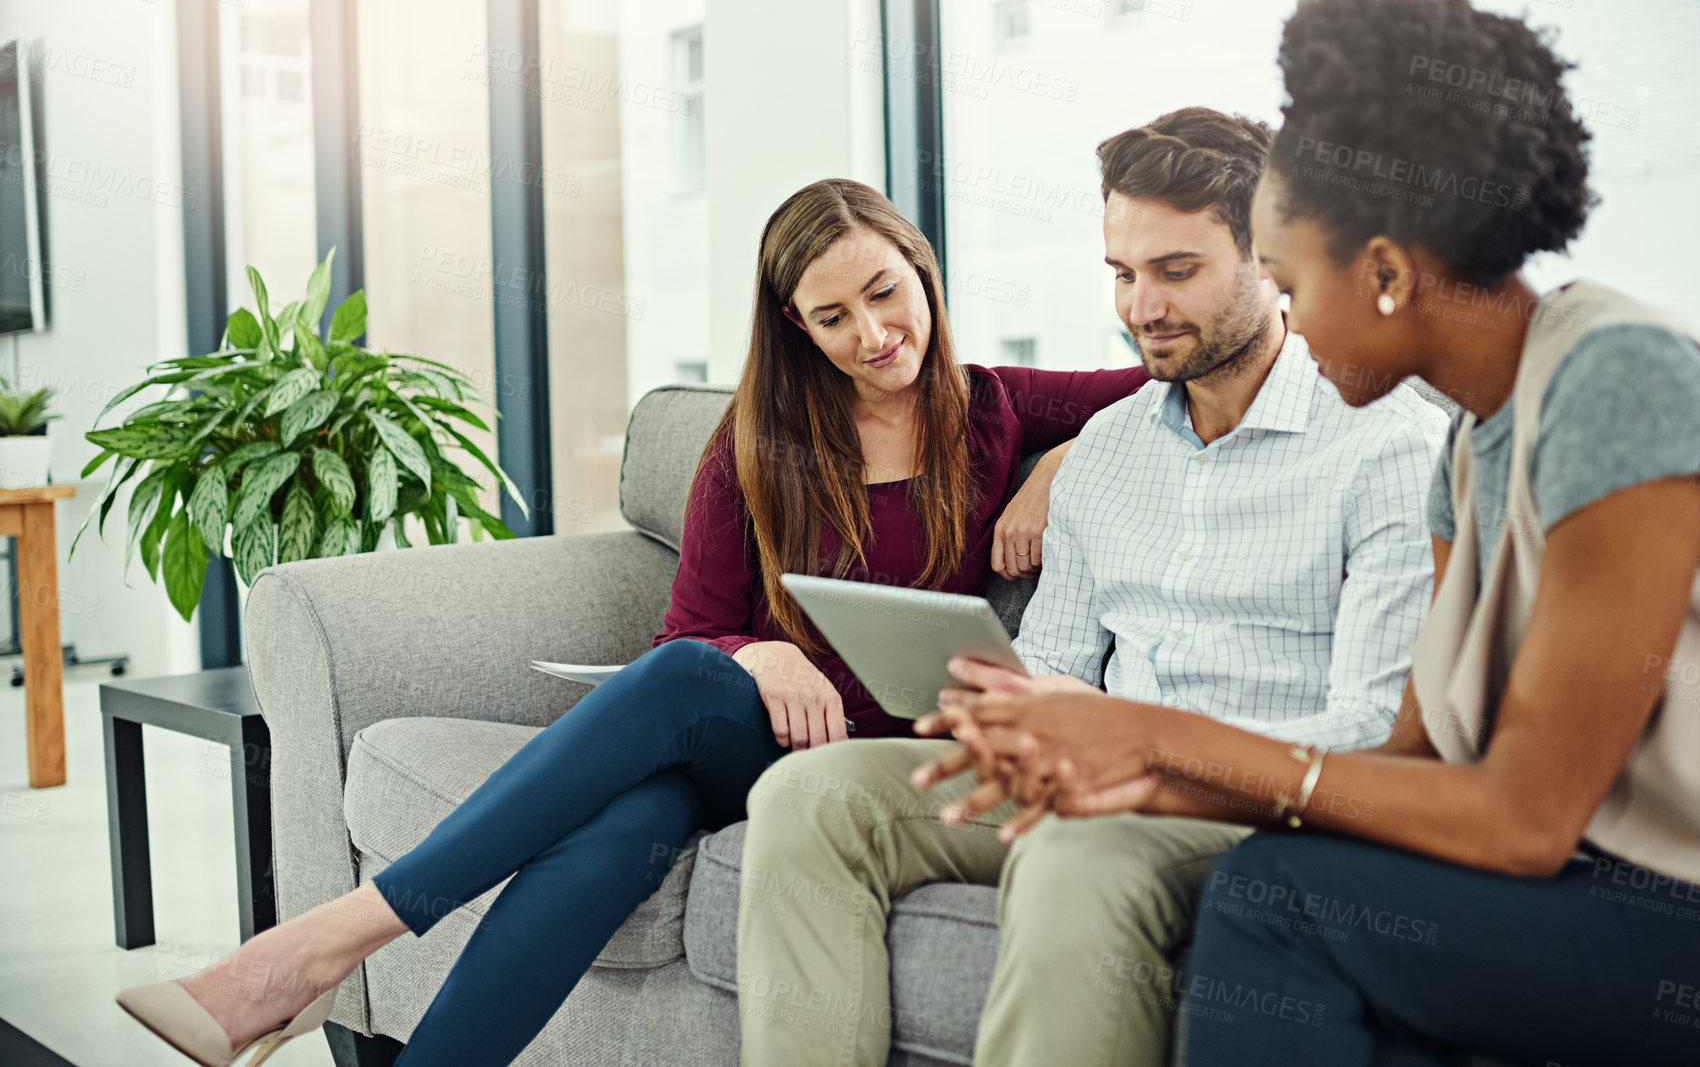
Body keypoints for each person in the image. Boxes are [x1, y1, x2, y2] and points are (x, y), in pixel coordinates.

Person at [113, 179, 1152, 1067]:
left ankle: (316, 951)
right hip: (764, 746)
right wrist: (759, 651)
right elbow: (689, 633)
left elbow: (1181, 373)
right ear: (797, 325)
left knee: (656, 762)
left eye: (887, 294)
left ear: (923, 271)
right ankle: (319, 960)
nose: (874, 336)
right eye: (833, 317)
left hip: (894, 765)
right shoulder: (754, 443)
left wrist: (1060, 463)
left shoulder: (1002, 406)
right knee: (661, 749)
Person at [916, 0, 1700, 1067]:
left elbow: (1524, 822)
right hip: (1579, 887)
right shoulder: (1468, 450)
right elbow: (1413, 756)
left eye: (1293, 285)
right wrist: (1145, 783)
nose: (1287, 320)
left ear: (1387, 272)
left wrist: (1160, 734)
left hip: (1687, 909)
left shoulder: (1612, 378)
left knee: (1276, 903)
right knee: (1296, 915)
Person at [734, 107, 1448, 1067]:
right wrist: (1010, 711)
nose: (1140, 306)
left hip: (1249, 798)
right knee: (811, 794)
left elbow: (1374, 736)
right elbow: (1055, 659)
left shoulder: (1387, 443)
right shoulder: (1105, 451)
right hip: (1098, 774)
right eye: (1122, 273)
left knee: (1077, 853)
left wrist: (1147, 757)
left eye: (1175, 270)